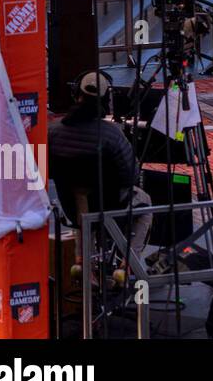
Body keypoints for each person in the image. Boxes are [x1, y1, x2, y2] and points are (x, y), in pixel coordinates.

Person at [48, 72, 152, 257]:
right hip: (109, 206)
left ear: (76, 95)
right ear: (105, 100)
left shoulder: (52, 132)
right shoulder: (113, 135)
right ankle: (127, 265)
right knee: (145, 203)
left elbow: (40, 170)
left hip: (70, 208)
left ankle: (83, 264)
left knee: (81, 197)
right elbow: (131, 175)